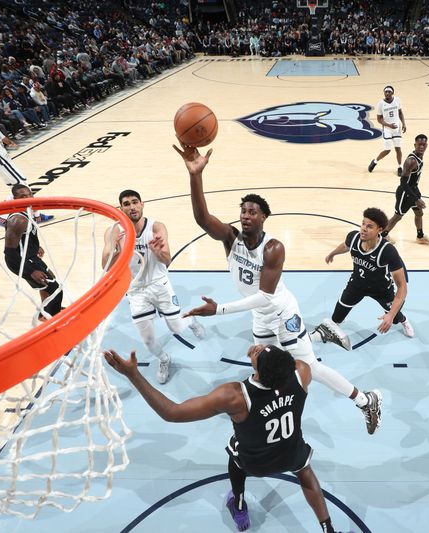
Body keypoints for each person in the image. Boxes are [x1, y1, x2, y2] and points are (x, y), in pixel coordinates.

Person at [174, 143, 382, 434]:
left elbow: (265, 296)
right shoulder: (229, 238)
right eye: (243, 210)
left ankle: (365, 400)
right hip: (260, 317)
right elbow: (202, 219)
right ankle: (321, 333)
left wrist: (219, 309)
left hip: (282, 312)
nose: (246, 215)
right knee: (263, 368)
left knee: (309, 367)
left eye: (253, 212)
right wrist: (195, 175)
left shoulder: (273, 248)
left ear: (263, 218)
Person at [103, 344, 354, 533]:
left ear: (259, 368)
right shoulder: (302, 373)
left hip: (255, 462)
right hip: (291, 452)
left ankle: (239, 503)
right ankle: (328, 528)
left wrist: (133, 375)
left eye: (260, 353)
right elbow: (290, 364)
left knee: (234, 454)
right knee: (306, 472)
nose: (256, 348)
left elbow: (172, 413)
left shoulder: (234, 396)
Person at [102, 189, 205, 384]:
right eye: (126, 204)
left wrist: (157, 251)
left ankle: (190, 321)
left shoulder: (156, 227)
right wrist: (116, 250)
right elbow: (105, 266)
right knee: (148, 341)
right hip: (136, 290)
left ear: (142, 204)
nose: (132, 207)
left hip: (159, 284)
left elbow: (166, 260)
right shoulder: (114, 231)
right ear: (121, 208)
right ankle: (164, 359)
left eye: (135, 202)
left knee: (176, 328)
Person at [311, 208, 413, 351]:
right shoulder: (353, 237)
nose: (363, 229)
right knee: (336, 318)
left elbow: (402, 287)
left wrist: (390, 315)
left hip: (381, 289)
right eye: (363, 224)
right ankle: (337, 322)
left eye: (369, 226)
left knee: (394, 318)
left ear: (380, 229)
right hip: (357, 284)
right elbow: (346, 246)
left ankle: (403, 320)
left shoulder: (387, 251)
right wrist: (332, 253)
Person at [4, 184, 64, 320]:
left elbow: (25, 236)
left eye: (29, 194)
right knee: (56, 290)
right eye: (22, 196)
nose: (28, 198)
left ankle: (44, 312)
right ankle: (53, 319)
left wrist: (35, 246)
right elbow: (9, 253)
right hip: (21, 261)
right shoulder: (18, 220)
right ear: (14, 199)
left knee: (46, 286)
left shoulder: (27, 212)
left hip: (30, 256)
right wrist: (31, 271)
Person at [382, 134, 429, 245]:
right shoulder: (411, 161)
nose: (421, 147)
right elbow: (403, 183)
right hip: (405, 193)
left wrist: (416, 194)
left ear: (426, 145)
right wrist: (416, 199)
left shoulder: (420, 156)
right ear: (414, 145)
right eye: (419, 144)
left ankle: (420, 237)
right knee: (397, 216)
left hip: (413, 189)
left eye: (423, 144)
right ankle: (383, 235)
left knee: (419, 213)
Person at [367, 85, 406, 177]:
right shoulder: (380, 104)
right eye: (386, 92)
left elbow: (400, 112)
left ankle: (400, 167)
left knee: (398, 148)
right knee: (387, 150)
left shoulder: (397, 100)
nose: (387, 93)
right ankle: (375, 161)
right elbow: (379, 119)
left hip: (397, 128)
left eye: (389, 92)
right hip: (387, 129)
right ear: (384, 93)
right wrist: (389, 125)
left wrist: (404, 124)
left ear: (393, 93)